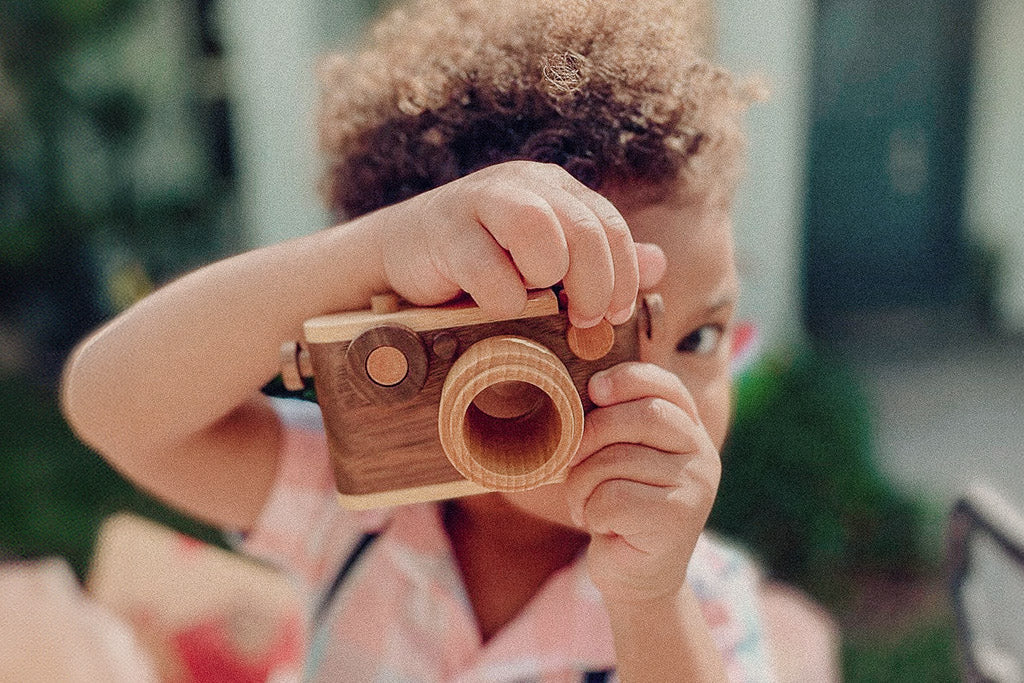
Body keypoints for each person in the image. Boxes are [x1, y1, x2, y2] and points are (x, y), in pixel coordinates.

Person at [61, 0, 824, 679]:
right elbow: (111, 405)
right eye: (583, 331)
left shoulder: (698, 601)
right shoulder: (355, 505)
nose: (661, 393)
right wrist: (375, 252)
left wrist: (650, 604)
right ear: (432, 324)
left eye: (700, 337)